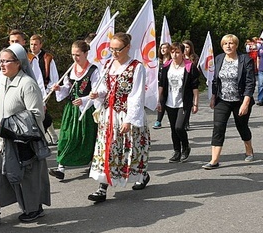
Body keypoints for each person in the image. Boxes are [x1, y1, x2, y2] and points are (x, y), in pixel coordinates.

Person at [0, 42, 51, 225]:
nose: (1, 65)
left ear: (18, 62)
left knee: (26, 178)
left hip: (21, 142)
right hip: (1, 140)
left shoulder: (27, 84)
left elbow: (37, 114)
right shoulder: (5, 82)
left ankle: (34, 208)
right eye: (0, 61)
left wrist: (7, 124)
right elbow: (0, 112)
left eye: (6, 61)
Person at [87, 32, 151, 202]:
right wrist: (97, 95)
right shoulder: (108, 64)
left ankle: (142, 175)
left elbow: (136, 95)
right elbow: (104, 88)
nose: (114, 53)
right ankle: (102, 186)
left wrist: (130, 119)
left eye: (117, 49)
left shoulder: (137, 67)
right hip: (109, 115)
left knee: (128, 148)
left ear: (128, 47)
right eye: (111, 49)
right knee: (107, 148)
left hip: (125, 113)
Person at [48, 40, 100, 180]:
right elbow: (68, 89)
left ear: (86, 53)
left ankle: (92, 163)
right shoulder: (71, 69)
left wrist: (83, 100)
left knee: (86, 137)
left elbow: (96, 91)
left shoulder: (93, 71)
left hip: (86, 110)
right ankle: (61, 167)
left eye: (77, 54)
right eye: (72, 55)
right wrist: (59, 89)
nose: (75, 58)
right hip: (71, 110)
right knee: (66, 136)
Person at [202, 34, 255, 169]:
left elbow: (250, 83)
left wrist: (246, 103)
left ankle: (249, 150)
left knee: (241, 126)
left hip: (240, 100)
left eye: (231, 43)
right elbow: (215, 80)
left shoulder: (245, 60)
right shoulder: (219, 58)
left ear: (236, 45)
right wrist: (213, 97)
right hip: (222, 100)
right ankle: (214, 160)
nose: (228, 46)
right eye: (225, 44)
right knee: (218, 128)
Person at [157, 42, 200, 162]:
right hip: (170, 102)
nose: (174, 55)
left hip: (183, 102)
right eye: (172, 52)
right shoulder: (166, 66)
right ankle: (177, 151)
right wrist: (158, 100)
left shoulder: (189, 66)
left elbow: (195, 87)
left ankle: (185, 147)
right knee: (173, 128)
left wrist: (195, 103)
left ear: (182, 53)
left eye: (177, 52)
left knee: (179, 127)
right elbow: (162, 84)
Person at [29, 34, 59, 145]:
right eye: (31, 44)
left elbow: (53, 76)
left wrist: (48, 90)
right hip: (30, 90)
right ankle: (50, 136)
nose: (33, 47)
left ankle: (47, 137)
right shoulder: (27, 57)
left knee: (42, 112)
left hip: (44, 90)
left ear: (41, 45)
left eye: (35, 44)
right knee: (39, 113)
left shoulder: (47, 58)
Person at [152, 42, 172, 129]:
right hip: (159, 84)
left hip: (169, 84)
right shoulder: (157, 61)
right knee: (161, 101)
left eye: (165, 48)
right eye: (161, 48)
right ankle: (158, 120)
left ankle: (173, 119)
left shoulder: (171, 61)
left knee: (169, 102)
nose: (163, 50)